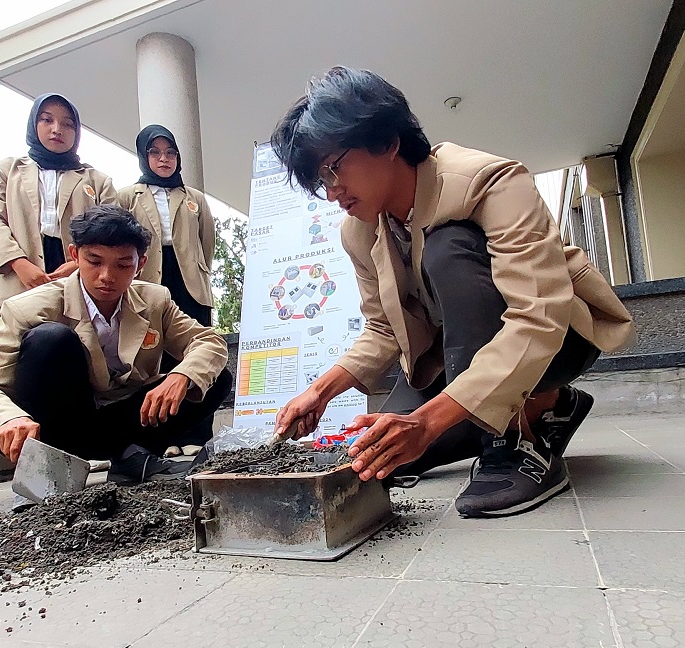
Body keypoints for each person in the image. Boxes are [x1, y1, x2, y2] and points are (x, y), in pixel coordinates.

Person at [270, 67, 635, 518]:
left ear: (386, 142)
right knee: (377, 455)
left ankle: (518, 438)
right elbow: (385, 328)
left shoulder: (490, 181)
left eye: (333, 168)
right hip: (456, 351)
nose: (332, 192)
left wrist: (425, 422)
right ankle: (552, 406)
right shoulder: (360, 231)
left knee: (447, 248)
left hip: (558, 337)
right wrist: (321, 391)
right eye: (320, 181)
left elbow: (538, 318)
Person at [0, 204, 232, 487]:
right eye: (95, 261)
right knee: (50, 339)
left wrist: (182, 376)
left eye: (123, 264)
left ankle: (132, 458)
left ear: (140, 264)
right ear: (74, 255)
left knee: (212, 378)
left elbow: (209, 340)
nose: (107, 276)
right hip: (60, 428)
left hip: (127, 423)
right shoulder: (27, 309)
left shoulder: (155, 300)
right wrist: (8, 420)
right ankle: (46, 470)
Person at [0, 93, 117, 311]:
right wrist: (18, 263)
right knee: (22, 341)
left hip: (79, 274)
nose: (57, 129)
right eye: (47, 120)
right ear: (34, 124)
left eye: (67, 124)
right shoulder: (6, 170)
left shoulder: (98, 181)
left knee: (79, 341)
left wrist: (79, 263)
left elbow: (112, 231)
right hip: (19, 275)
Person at [116, 125, 215, 327]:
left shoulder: (194, 197)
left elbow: (207, 242)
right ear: (143, 156)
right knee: (153, 342)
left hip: (189, 279)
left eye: (171, 152)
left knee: (196, 341)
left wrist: (198, 268)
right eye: (155, 152)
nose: (164, 159)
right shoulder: (127, 196)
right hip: (148, 274)